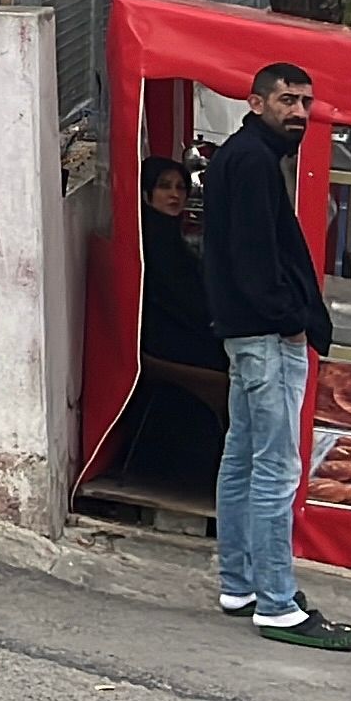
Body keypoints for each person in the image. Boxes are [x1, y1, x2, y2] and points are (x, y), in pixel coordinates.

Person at [203, 61, 351, 650]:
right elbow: (253, 258)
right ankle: (275, 602)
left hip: (250, 333)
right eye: (287, 100)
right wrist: (290, 321)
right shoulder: (251, 161)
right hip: (266, 337)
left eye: (305, 102)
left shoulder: (248, 156)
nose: (298, 111)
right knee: (275, 468)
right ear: (256, 102)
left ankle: (240, 585)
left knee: (243, 459)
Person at [123, 158, 229, 487]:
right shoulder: (151, 240)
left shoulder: (169, 236)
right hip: (159, 342)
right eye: (164, 187)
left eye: (181, 187)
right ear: (146, 193)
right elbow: (181, 300)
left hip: (176, 334)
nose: (174, 195)